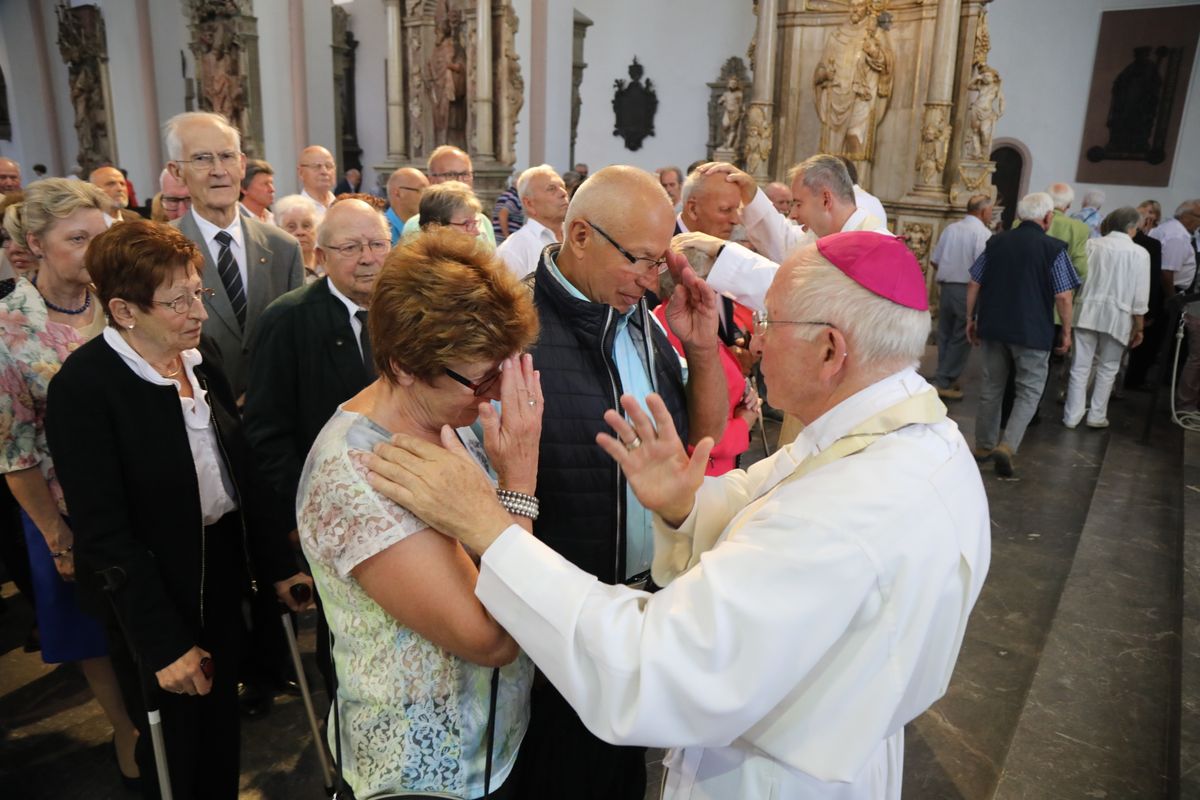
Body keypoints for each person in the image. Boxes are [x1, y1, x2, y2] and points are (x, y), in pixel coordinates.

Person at [364, 230, 991, 800]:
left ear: (831, 350)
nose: (753, 338)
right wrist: (684, 503)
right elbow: (762, 500)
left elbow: (655, 665)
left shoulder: (853, 509)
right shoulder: (905, 434)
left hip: (773, 778)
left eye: (769, 321)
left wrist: (492, 529)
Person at [45, 219, 311, 800]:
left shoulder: (197, 356)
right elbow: (105, 532)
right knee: (172, 743)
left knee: (218, 725)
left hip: (215, 561)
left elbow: (238, 472)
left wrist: (277, 563)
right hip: (148, 583)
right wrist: (164, 642)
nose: (197, 311)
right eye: (178, 300)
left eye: (199, 293)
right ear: (123, 309)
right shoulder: (85, 388)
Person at [296, 229, 538, 798]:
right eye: (480, 378)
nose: (494, 393)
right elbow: (493, 639)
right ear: (404, 365)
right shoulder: (354, 474)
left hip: (492, 745)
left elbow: (490, 549)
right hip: (420, 775)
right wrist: (520, 482)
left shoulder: (451, 421)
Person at [510, 165, 727, 799]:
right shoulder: (514, 325)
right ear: (580, 235)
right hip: (557, 618)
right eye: (640, 259)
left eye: (662, 261)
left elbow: (700, 444)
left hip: (640, 607)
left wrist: (705, 348)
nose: (653, 279)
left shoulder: (640, 318)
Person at [0, 178, 142, 786]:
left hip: (140, 490)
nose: (93, 252)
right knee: (90, 626)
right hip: (62, 506)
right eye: (76, 239)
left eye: (101, 238)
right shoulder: (8, 328)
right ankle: (124, 725)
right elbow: (14, 451)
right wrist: (56, 535)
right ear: (35, 243)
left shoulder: (123, 301)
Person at [167, 111, 304, 397]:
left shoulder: (284, 248)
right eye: (202, 158)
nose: (219, 170)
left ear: (242, 165)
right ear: (176, 172)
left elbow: (296, 343)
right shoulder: (159, 251)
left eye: (227, 156)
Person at [967, 192, 1081, 477]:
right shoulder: (1053, 248)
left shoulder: (996, 242)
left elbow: (974, 282)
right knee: (1029, 390)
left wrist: (971, 318)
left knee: (992, 387)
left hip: (993, 326)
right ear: (1048, 218)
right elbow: (1064, 296)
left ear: (1018, 217)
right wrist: (1066, 331)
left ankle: (982, 446)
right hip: (1032, 331)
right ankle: (1008, 445)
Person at [655, 241, 758, 475]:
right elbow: (693, 429)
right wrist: (744, 424)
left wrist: (745, 394)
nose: (718, 291)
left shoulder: (685, 320)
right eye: (713, 282)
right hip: (703, 474)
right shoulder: (674, 329)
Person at [1063, 207, 1150, 429]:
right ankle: (1097, 415)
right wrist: (1139, 327)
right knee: (1108, 367)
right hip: (1118, 314)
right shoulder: (1140, 253)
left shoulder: (1092, 245)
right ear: (1132, 228)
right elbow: (1140, 297)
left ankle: (1072, 415)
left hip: (1086, 310)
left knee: (1080, 365)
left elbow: (1079, 276)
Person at [929, 194, 993, 400]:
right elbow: (981, 268)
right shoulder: (982, 233)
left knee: (945, 333)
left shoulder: (951, 229)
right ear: (983, 211)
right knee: (962, 335)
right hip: (966, 289)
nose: (991, 214)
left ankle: (943, 374)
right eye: (991, 210)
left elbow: (935, 260)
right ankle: (944, 380)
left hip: (946, 287)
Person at [400, 145, 496, 246]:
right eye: (450, 175)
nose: (460, 181)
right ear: (431, 180)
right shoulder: (416, 226)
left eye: (465, 174)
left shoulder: (483, 221)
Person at [495, 164, 568, 279]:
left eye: (563, 186)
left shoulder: (578, 237)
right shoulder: (513, 250)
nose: (563, 193)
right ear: (529, 204)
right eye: (551, 189)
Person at [677, 167, 742, 239]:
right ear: (693, 209)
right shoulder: (664, 245)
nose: (736, 220)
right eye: (725, 209)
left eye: (737, 209)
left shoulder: (733, 246)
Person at [1046, 182, 1090, 282]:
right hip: (1060, 287)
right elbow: (1080, 268)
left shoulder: (1020, 222)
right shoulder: (1079, 227)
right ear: (1069, 205)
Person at [418, 181, 488, 242]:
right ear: (434, 228)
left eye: (475, 223)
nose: (477, 232)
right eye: (466, 224)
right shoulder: (414, 256)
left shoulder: (476, 255)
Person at [274, 194, 321, 282]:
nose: (300, 232)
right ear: (279, 231)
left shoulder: (328, 262)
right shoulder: (275, 270)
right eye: (291, 227)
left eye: (306, 225)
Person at [384, 166, 429, 243]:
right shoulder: (382, 231)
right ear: (398, 193)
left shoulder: (426, 228)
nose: (427, 197)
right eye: (422, 190)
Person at [297, 145, 337, 220]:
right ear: (301, 173)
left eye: (328, 166)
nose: (324, 171)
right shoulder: (295, 211)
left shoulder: (341, 206)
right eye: (316, 166)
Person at [240, 159, 276, 224]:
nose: (272, 189)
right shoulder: (235, 221)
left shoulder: (274, 219)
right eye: (265, 184)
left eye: (271, 183)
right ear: (244, 189)